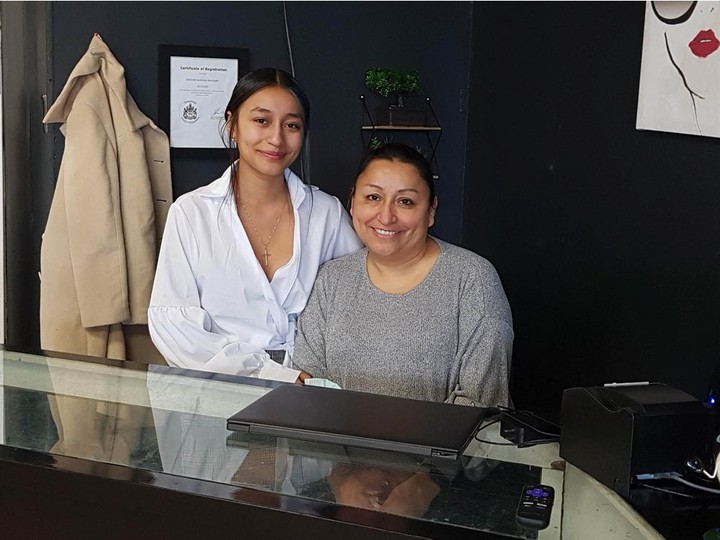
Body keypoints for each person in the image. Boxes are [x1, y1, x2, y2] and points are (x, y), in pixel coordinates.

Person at [148, 68, 362, 381]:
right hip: (219, 391)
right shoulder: (192, 214)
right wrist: (264, 371)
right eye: (261, 120)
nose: (276, 138)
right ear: (232, 124)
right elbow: (173, 327)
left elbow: (359, 301)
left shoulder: (325, 213)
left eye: (291, 125)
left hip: (308, 392)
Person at [293, 143, 513, 406]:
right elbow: (311, 387)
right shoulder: (332, 279)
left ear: (431, 210)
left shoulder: (472, 280)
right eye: (373, 197)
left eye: (405, 201)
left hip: (445, 446)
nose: (386, 217)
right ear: (352, 202)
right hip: (337, 446)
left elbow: (480, 405)